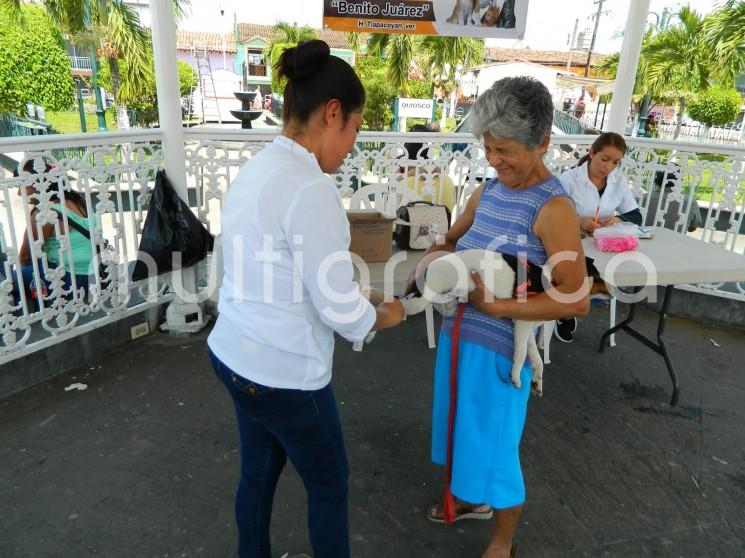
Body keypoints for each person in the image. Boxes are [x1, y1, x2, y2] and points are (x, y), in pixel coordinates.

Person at [206, 40, 404, 558]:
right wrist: (387, 313)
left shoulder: (258, 168)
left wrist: (354, 291)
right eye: (356, 130)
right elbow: (342, 313)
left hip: (234, 354)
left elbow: (279, 269)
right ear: (332, 113)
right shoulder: (310, 187)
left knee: (257, 476)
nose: (353, 145)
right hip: (285, 375)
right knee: (329, 486)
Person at [410, 77, 589, 558]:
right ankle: (471, 501)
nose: (494, 160)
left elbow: (577, 300)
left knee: (497, 450)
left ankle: (502, 543)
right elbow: (451, 241)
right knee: (460, 430)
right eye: (488, 148)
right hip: (459, 335)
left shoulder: (553, 208)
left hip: (502, 349)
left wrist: (502, 307)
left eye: (505, 150)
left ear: (543, 144)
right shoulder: (485, 193)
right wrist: (436, 258)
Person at [556, 132, 641, 342]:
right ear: (592, 153)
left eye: (615, 162)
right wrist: (577, 219)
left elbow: (635, 215)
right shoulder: (569, 179)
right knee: (580, 275)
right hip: (570, 244)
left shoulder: (617, 182)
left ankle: (570, 307)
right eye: (605, 159)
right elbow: (551, 213)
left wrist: (617, 220)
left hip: (603, 248)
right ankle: (566, 311)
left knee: (611, 278)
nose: (609, 167)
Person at [12, 160, 98, 306]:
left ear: (37, 183)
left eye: (21, 186)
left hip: (74, 280)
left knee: (11, 279)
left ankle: (33, 315)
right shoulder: (77, 201)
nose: (19, 193)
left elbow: (25, 257)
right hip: (96, 273)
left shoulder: (45, 213)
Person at [398, 123, 457, 211]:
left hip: (409, 223)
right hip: (441, 223)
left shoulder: (402, 185)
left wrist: (409, 174)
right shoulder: (448, 182)